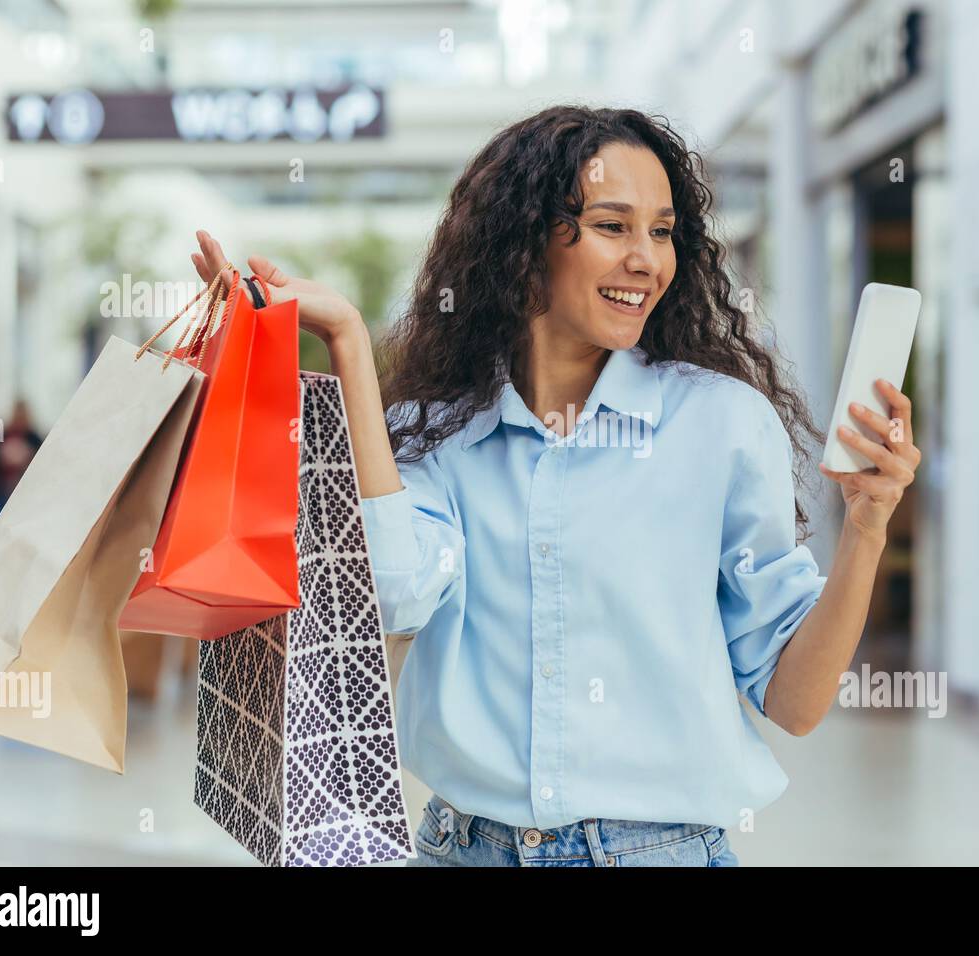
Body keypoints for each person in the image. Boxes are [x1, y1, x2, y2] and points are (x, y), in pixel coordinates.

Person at [190, 105, 920, 867]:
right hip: (461, 849)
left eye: (663, 231)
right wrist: (345, 340)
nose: (647, 259)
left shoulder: (722, 423)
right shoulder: (436, 430)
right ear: (526, 246)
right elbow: (395, 595)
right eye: (613, 226)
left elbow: (795, 705)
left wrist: (867, 528)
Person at [0, 399, 43, 532]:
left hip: (24, 495)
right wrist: (2, 456)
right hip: (0, 494)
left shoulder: (32, 438)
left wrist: (26, 457)